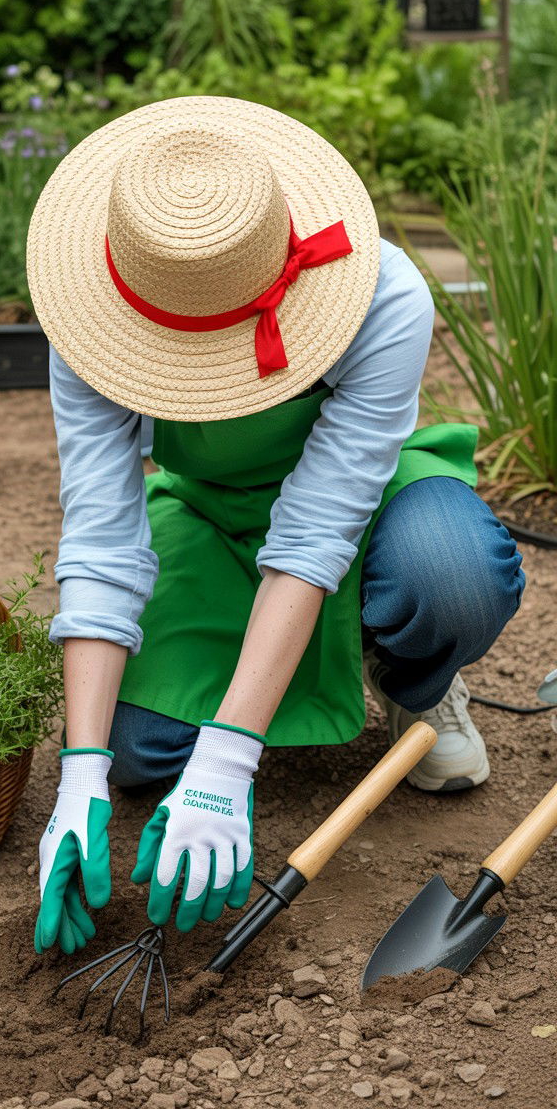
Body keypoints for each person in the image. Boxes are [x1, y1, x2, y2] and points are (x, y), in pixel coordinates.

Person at [27, 97, 525, 955]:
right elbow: (104, 543)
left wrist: (228, 762)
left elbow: (315, 532)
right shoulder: (87, 323)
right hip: (216, 512)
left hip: (366, 510)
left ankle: (418, 682)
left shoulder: (381, 293)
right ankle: (203, 720)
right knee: (135, 751)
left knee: (451, 574)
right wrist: (80, 778)